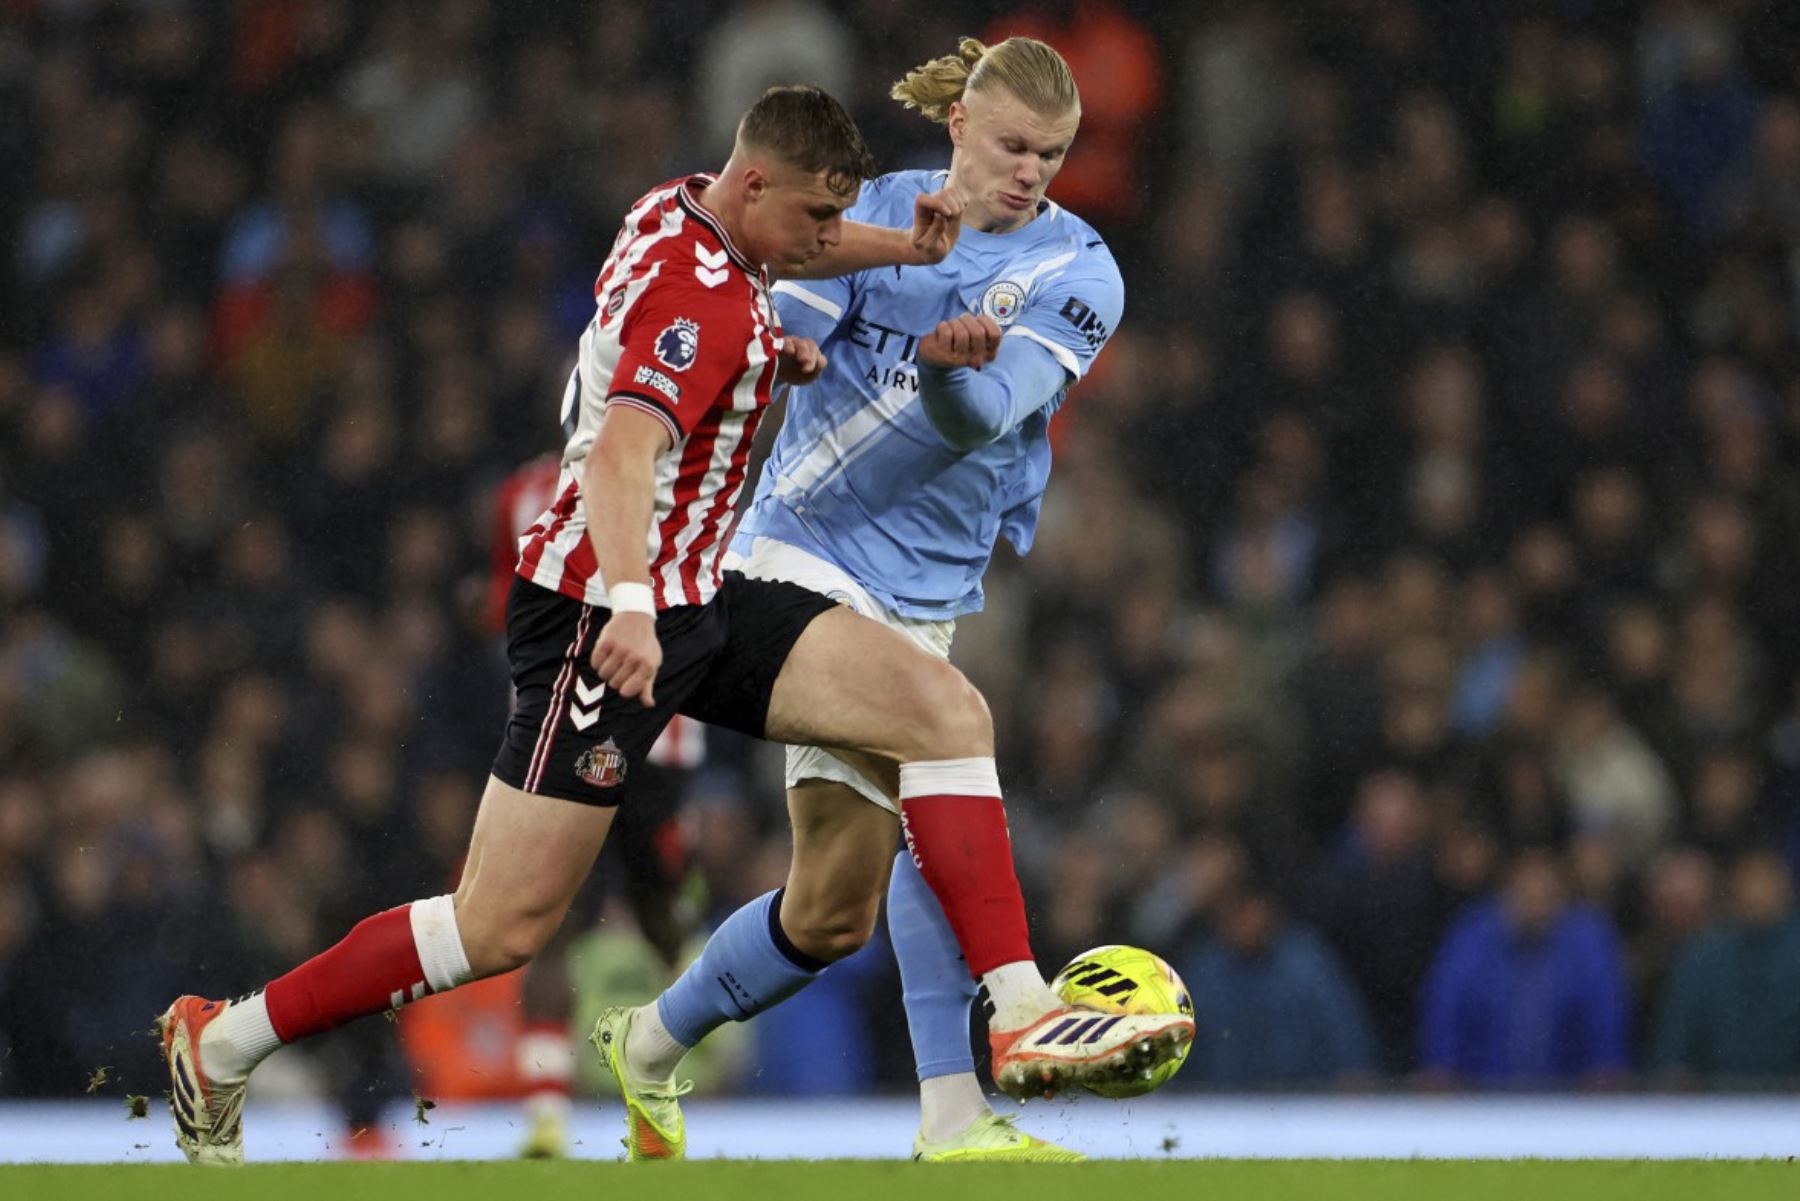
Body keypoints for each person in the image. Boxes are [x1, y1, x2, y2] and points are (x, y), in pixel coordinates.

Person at [156, 83, 1191, 1167]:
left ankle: (1016, 1007)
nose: (829, 249)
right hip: (604, 616)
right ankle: (225, 1038)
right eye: (816, 227)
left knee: (943, 715)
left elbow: (783, 255)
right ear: (756, 190)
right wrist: (637, 608)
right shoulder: (699, 309)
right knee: (494, 928)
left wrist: (897, 250)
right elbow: (621, 456)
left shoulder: (678, 207)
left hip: (705, 593)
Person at [603, 37, 1133, 1163]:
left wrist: (947, 372)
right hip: (796, 553)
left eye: (1053, 154)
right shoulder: (876, 214)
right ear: (959, 129)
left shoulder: (1080, 277)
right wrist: (787, 348)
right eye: (1013, 146)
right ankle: (1011, 1029)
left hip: (926, 592)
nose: (1032, 170)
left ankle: (649, 1042)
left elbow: (986, 416)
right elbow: (788, 321)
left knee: (832, 909)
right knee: (949, 737)